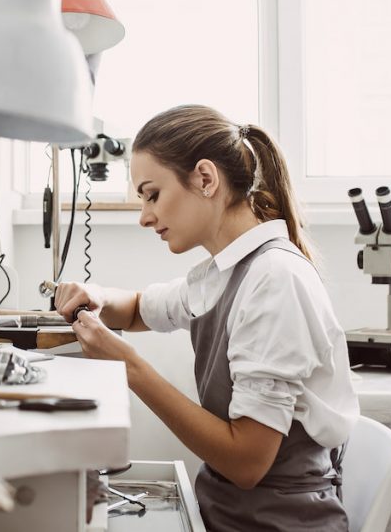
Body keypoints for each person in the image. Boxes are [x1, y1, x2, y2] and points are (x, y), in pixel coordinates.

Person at [54, 105, 359, 531]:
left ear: (205, 178)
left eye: (152, 194)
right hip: (227, 512)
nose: (144, 216)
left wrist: (129, 367)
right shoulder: (224, 274)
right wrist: (97, 295)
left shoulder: (275, 279)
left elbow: (246, 462)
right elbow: (141, 307)